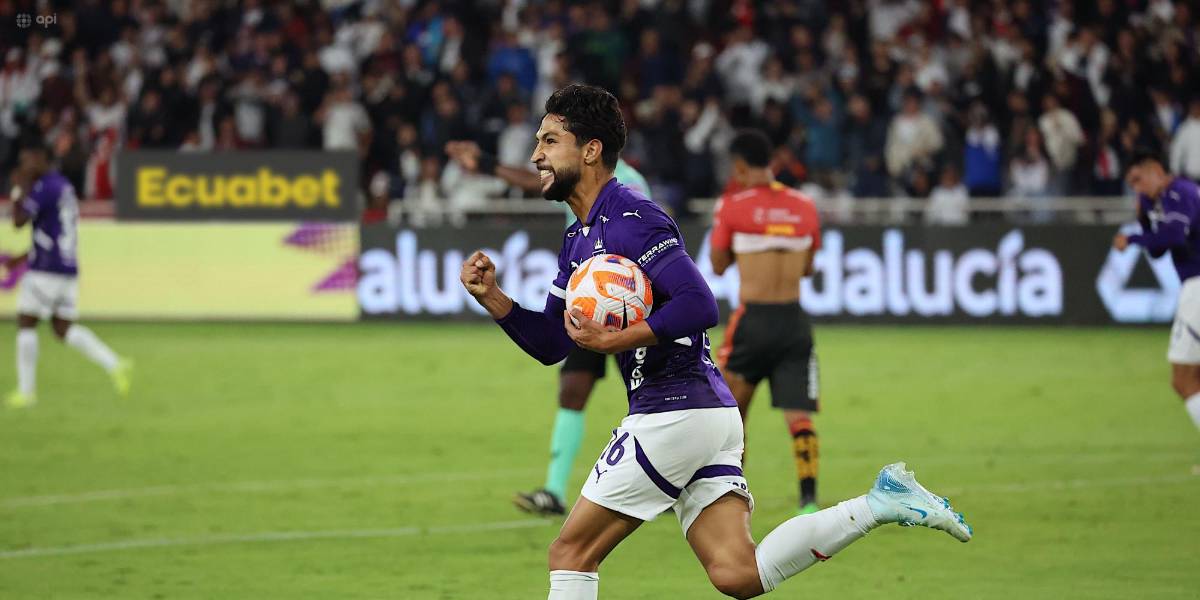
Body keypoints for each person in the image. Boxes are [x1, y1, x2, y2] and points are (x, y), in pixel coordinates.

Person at [460, 84, 971, 599]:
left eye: (549, 141)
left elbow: (700, 303)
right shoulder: (577, 238)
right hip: (709, 415)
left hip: (671, 413)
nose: (535, 155)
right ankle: (880, 503)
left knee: (570, 554)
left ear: (591, 149)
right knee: (738, 574)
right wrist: (495, 298)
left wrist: (623, 339)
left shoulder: (635, 219)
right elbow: (552, 342)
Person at [445, 136, 652, 516]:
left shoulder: (629, 187)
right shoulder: (572, 214)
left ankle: (673, 482)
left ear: (593, 150)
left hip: (626, 309)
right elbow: (533, 180)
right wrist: (487, 164)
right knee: (572, 388)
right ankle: (554, 491)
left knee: (649, 397)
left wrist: (487, 164)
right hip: (585, 300)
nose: (545, 159)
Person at [709, 129, 824, 515]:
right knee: (799, 414)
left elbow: (718, 264)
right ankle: (808, 499)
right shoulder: (805, 206)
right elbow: (808, 267)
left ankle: (729, 492)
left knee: (730, 413)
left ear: (739, 166)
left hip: (753, 320)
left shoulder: (732, 206)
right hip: (793, 319)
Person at [5, 143, 132, 408]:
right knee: (63, 329)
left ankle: (26, 393)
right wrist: (23, 257)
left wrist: (18, 189)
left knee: (26, 322)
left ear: (42, 159)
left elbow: (18, 222)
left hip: (46, 271)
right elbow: (53, 232)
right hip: (67, 268)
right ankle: (116, 364)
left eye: (28, 160)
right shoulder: (63, 186)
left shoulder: (43, 188)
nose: (25, 166)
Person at [1113, 149, 1200, 438]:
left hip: (1198, 287)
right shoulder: (1160, 200)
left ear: (1155, 169)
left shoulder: (1179, 192)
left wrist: (1132, 238)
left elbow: (1175, 235)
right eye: (1132, 184)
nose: (1136, 188)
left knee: (1182, 378)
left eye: (1138, 180)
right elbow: (1159, 250)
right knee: (1192, 376)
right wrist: (1144, 222)